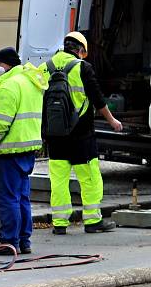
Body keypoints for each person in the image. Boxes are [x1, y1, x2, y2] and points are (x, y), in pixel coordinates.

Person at [38, 32, 122, 235]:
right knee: (90, 178)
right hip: (81, 135)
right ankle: (93, 220)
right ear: (81, 50)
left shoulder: (45, 67)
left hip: (55, 136)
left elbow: (38, 101)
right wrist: (112, 121)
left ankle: (59, 223)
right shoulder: (82, 67)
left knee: (58, 180)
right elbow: (97, 98)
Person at [0, 47, 46, 256]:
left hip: (9, 151)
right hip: (28, 149)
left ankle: (9, 241)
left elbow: (1, 124)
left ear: (5, 64)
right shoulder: (30, 82)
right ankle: (24, 240)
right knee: (21, 197)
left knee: (7, 198)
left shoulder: (9, 86)